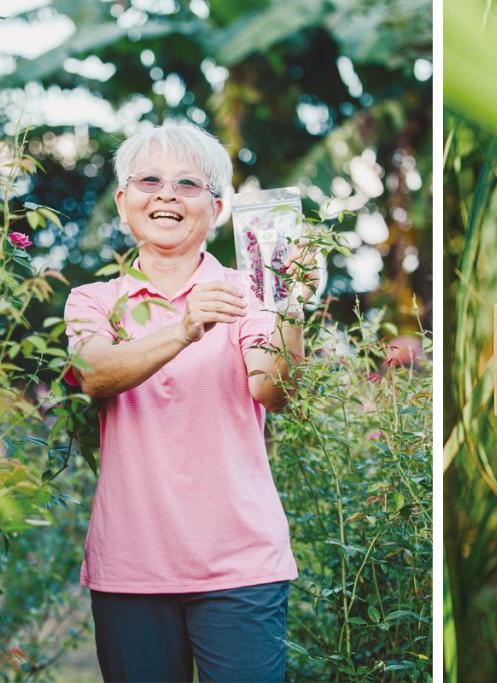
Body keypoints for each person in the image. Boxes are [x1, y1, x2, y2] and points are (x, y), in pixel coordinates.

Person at [63, 123, 311, 682]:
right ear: (124, 202)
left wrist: (291, 308)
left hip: (241, 565)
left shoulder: (249, 295)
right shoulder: (93, 299)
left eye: (188, 184)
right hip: (131, 566)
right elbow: (95, 373)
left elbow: (275, 390)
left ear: (218, 207)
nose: (167, 195)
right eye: (149, 180)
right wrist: (186, 326)